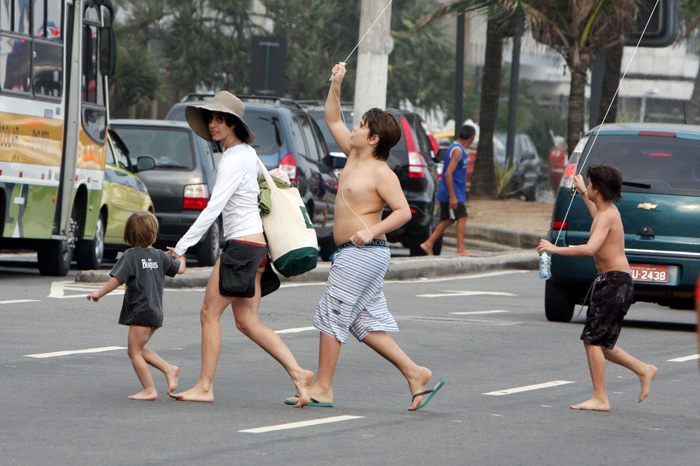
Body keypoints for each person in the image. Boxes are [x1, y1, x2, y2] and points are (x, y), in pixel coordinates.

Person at [285, 63, 444, 411]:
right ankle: (415, 373)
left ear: (373, 138)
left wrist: (370, 229)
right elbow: (331, 117)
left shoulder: (381, 172)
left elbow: (403, 212)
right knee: (361, 321)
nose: (353, 128)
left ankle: (323, 387)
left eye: (360, 126)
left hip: (366, 252)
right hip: (350, 253)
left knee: (332, 313)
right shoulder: (354, 154)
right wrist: (336, 83)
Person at [167, 91, 314, 406]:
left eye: (220, 119)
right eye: (211, 119)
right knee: (247, 321)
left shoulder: (234, 158)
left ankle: (205, 387)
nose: (214, 124)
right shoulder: (247, 153)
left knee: (209, 312)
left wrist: (181, 248)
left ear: (234, 124)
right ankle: (300, 373)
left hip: (243, 246)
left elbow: (213, 208)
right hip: (256, 247)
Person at [537, 163, 657, 412]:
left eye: (590, 184)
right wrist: (582, 191)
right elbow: (596, 213)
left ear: (598, 189)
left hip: (614, 283)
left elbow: (590, 248)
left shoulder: (608, 215)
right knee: (602, 343)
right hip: (614, 282)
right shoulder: (605, 211)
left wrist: (554, 248)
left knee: (592, 340)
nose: (588, 186)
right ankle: (644, 369)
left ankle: (600, 398)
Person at [87, 211, 186, 401]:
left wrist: (100, 293)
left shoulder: (130, 256)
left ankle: (150, 389)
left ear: (128, 236)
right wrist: (180, 256)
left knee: (133, 351)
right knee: (138, 350)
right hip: (155, 313)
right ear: (154, 235)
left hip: (141, 312)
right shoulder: (159, 256)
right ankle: (169, 369)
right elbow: (179, 269)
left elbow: (117, 279)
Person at [420, 124, 476, 257]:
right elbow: (448, 173)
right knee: (462, 217)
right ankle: (460, 249)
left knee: (449, 219)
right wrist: (452, 196)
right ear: (472, 138)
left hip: (456, 192)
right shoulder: (457, 150)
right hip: (452, 192)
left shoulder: (458, 148)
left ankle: (428, 243)